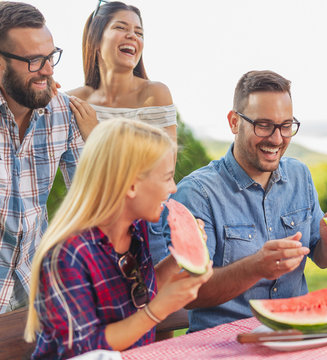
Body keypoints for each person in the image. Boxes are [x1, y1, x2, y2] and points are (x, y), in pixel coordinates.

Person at [153, 70, 327, 332]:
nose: (276, 139)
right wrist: (256, 267)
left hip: (295, 335)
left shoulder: (300, 176)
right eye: (263, 125)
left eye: (286, 126)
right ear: (234, 122)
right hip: (225, 345)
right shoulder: (197, 192)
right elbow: (189, 294)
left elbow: (322, 259)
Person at [24, 119, 212, 359]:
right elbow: (84, 350)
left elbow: (147, 289)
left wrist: (182, 256)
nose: (174, 188)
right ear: (131, 185)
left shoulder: (136, 228)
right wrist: (157, 311)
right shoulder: (68, 254)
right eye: (167, 177)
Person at [0, 1, 84, 314]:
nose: (48, 70)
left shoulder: (63, 111)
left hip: (33, 293)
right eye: (35, 60)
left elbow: (91, 198)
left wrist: (97, 137)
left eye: (50, 57)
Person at [67, 1, 176, 143]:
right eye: (121, 27)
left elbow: (166, 165)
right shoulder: (73, 101)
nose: (133, 36)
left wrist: (93, 133)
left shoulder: (154, 95)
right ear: (95, 40)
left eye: (139, 33)